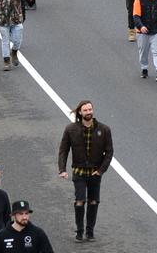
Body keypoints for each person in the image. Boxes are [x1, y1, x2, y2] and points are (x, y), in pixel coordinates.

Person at [57, 100, 114, 242]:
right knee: (80, 201)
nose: (88, 112)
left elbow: (109, 152)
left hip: (95, 173)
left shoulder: (104, 129)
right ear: (80, 112)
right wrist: (62, 169)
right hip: (79, 172)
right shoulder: (71, 129)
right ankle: (79, 231)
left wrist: (101, 171)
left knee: (94, 201)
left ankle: (90, 232)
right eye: (85, 110)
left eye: (90, 109)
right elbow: (63, 150)